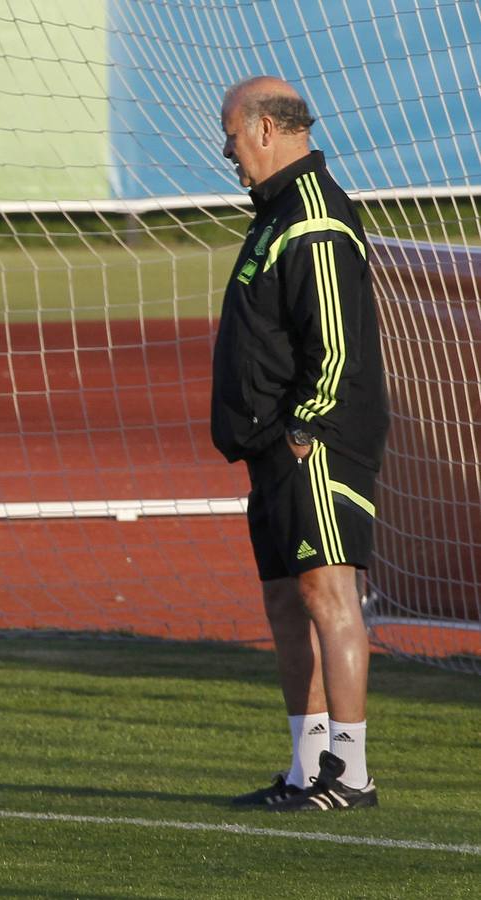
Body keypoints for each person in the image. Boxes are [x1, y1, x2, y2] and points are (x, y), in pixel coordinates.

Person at [211, 77, 388, 812]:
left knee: (326, 591)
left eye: (230, 136)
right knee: (287, 598)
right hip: (275, 444)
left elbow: (336, 341)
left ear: (263, 129)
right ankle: (306, 767)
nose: (228, 152)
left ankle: (351, 773)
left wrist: (302, 431)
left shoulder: (312, 214)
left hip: (315, 441)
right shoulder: (276, 213)